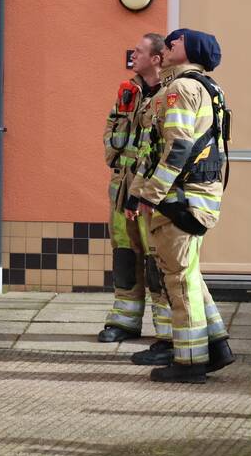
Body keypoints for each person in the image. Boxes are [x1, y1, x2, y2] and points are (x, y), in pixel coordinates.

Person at [126, 28, 235, 384]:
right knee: (188, 273)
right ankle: (217, 346)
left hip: (180, 200)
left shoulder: (181, 89)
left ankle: (189, 363)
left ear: (191, 51)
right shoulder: (202, 87)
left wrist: (150, 194)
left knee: (177, 279)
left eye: (176, 41)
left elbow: (176, 148)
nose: (169, 43)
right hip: (193, 197)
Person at [98, 33, 172, 351]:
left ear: (156, 58)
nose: (133, 56)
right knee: (125, 254)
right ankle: (123, 321)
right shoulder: (129, 91)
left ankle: (167, 329)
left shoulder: (172, 93)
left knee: (158, 259)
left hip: (153, 192)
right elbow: (111, 129)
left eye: (139, 52)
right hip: (122, 187)